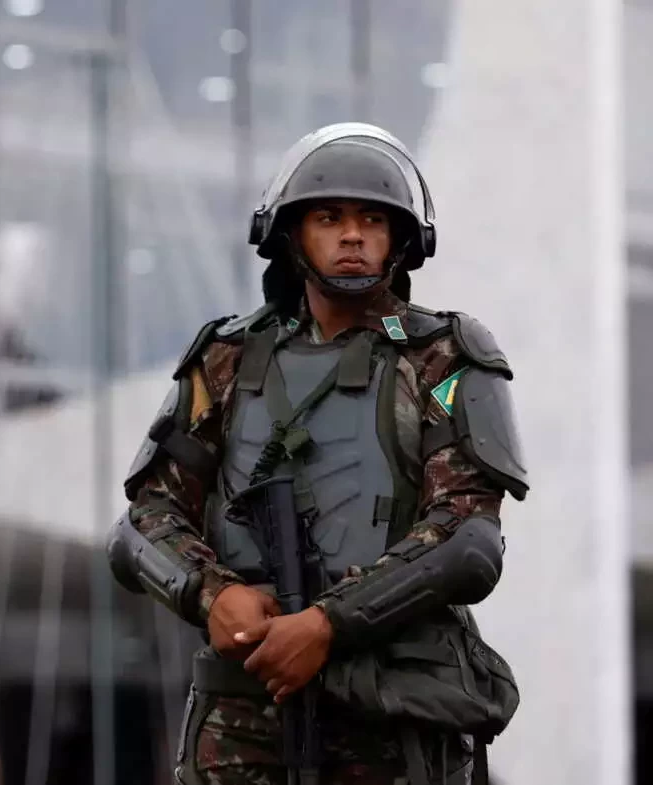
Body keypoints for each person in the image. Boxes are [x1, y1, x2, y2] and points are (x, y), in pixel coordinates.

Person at [107, 123, 525, 785]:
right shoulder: (226, 356)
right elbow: (141, 522)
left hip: (388, 711)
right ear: (292, 235)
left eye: (372, 219)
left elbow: (469, 538)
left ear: (400, 239)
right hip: (242, 718)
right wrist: (214, 596)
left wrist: (328, 624)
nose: (352, 234)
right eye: (329, 217)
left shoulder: (443, 358)